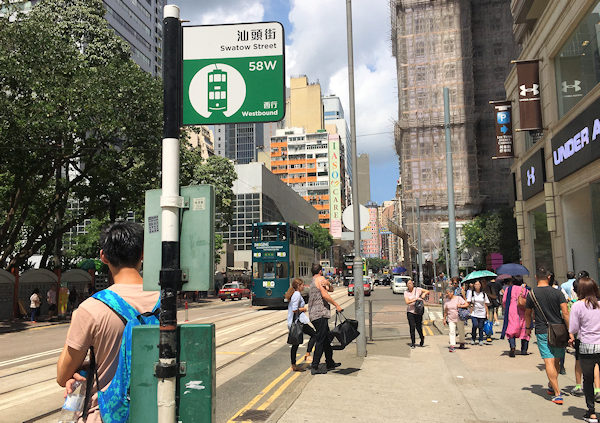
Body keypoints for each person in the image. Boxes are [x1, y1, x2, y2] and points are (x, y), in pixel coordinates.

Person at [56, 222, 160, 422]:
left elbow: (63, 375)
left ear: (103, 256)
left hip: (106, 415)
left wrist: (81, 367)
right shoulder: (164, 302)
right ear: (142, 254)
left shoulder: (90, 309)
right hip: (155, 412)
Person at [525, 266, 569, 405]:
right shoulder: (558, 293)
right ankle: (553, 385)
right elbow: (565, 312)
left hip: (542, 330)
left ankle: (557, 393)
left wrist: (527, 328)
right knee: (556, 360)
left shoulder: (532, 294)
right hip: (559, 330)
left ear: (536, 277)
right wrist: (571, 331)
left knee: (548, 361)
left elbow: (527, 313)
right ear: (549, 277)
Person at [569, 277, 600, 423]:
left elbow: (574, 328)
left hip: (586, 346)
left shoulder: (577, 306)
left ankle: (592, 412)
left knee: (587, 380)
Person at [307, 263, 342, 375]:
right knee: (321, 340)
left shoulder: (313, 281)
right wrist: (336, 305)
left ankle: (330, 362)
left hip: (313, 314)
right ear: (321, 271)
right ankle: (315, 366)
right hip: (320, 314)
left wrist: (328, 284)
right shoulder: (320, 279)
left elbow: (330, 289)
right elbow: (325, 295)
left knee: (326, 339)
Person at [285, 278, 316, 371]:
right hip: (298, 322)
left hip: (295, 322)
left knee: (295, 344)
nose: (303, 286)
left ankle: (294, 364)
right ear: (298, 286)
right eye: (302, 285)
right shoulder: (297, 294)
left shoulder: (294, 294)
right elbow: (295, 309)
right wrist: (303, 309)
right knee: (314, 335)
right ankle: (307, 354)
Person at [500, 277, 530, 357]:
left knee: (511, 329)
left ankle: (512, 346)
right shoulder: (525, 290)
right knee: (524, 330)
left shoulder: (508, 289)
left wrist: (505, 306)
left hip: (512, 311)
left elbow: (504, 301)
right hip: (523, 312)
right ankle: (524, 350)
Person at [404, 279, 430, 348]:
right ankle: (413, 343)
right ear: (406, 285)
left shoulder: (417, 289)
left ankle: (422, 338)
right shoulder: (406, 292)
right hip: (410, 311)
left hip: (418, 311)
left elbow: (427, 291)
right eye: (408, 283)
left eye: (411, 283)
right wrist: (415, 299)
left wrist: (424, 294)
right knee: (412, 327)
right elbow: (407, 302)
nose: (410, 284)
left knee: (418, 327)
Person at [443, 287, 469, 351]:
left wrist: (460, 306)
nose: (447, 295)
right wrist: (444, 318)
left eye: (448, 293)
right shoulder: (446, 300)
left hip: (459, 318)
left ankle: (462, 342)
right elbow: (446, 310)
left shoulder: (458, 298)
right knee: (451, 331)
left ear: (452, 293)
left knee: (461, 331)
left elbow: (466, 304)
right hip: (451, 318)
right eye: (446, 293)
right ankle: (452, 345)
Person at [467, 280, 489, 346]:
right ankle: (473, 338)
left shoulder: (483, 294)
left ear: (480, 285)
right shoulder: (472, 293)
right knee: (475, 325)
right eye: (476, 284)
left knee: (481, 327)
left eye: (478, 284)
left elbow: (485, 304)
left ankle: (481, 339)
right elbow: (468, 302)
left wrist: (487, 313)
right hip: (474, 312)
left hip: (482, 313)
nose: (477, 286)